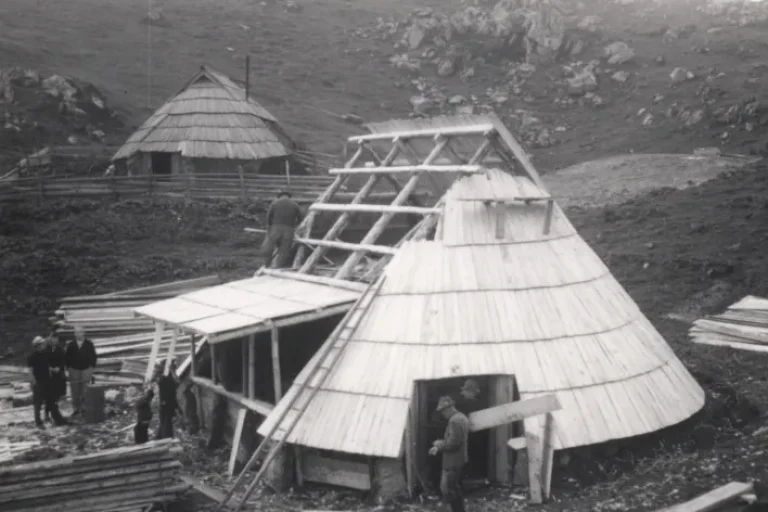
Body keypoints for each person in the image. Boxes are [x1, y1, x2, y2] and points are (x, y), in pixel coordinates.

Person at [429, 396, 470, 512]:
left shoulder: (454, 421)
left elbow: (454, 443)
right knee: (453, 488)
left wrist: (438, 444)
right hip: (459, 459)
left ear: (449, 408)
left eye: (443, 411)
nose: (442, 414)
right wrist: (439, 447)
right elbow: (457, 440)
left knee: (448, 489)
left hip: (452, 461)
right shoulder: (462, 417)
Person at [26, 336, 68, 428]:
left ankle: (58, 420)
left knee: (51, 401)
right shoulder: (31, 356)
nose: (44, 345)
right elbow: (30, 371)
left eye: (43, 344)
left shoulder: (45, 354)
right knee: (38, 403)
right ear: (37, 346)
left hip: (47, 381)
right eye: (42, 344)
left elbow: (47, 366)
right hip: (38, 382)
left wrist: (55, 371)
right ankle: (38, 422)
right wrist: (33, 383)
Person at [262, 190, 303, 269]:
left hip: (275, 228)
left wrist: (269, 227)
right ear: (289, 196)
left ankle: (267, 264)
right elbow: (300, 218)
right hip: (289, 229)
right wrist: (295, 226)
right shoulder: (295, 205)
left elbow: (268, 216)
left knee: (269, 246)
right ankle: (277, 266)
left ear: (280, 196)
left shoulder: (274, 203)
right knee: (284, 248)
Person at [65, 326, 98, 417]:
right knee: (75, 390)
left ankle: (84, 408)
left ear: (83, 333)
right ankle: (76, 408)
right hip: (74, 369)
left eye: (80, 332)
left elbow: (93, 356)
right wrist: (69, 367)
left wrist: (92, 367)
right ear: (74, 334)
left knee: (85, 389)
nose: (78, 334)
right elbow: (67, 357)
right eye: (76, 332)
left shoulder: (89, 344)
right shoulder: (71, 344)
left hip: (86, 368)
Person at [45, 332, 68, 423]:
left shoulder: (60, 349)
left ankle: (55, 413)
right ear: (50, 339)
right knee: (49, 395)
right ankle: (47, 413)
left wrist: (59, 368)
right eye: (53, 338)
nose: (54, 340)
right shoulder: (47, 349)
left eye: (56, 338)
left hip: (58, 374)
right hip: (49, 374)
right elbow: (44, 360)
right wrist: (50, 368)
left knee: (57, 395)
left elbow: (64, 360)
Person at [155, 362, 179, 439]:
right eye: (173, 369)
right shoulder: (166, 378)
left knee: (164, 420)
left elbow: (176, 383)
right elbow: (176, 383)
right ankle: (167, 437)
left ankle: (160, 437)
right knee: (166, 420)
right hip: (167, 402)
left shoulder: (166, 377)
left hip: (167, 402)